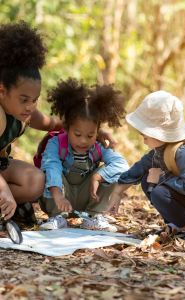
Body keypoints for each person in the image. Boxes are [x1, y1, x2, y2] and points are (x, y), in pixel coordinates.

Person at [106, 91, 185, 243]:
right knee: (147, 181)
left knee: (159, 191)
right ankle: (176, 226)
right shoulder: (161, 150)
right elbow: (140, 168)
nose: (143, 139)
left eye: (145, 135)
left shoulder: (182, 151)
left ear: (159, 133)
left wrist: (161, 178)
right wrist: (117, 192)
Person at [39, 78, 129, 231]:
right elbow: (51, 165)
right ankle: (57, 216)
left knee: (114, 175)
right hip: (59, 196)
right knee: (47, 171)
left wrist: (98, 176)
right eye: (78, 134)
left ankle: (93, 216)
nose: (83, 141)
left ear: (98, 132)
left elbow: (122, 166)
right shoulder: (56, 144)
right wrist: (58, 194)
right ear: (66, 128)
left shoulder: (98, 147)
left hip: (87, 195)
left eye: (90, 135)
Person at [0, 21, 63, 222]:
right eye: (24, 99)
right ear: (2, 91)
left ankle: (5, 208)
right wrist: (4, 190)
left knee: (35, 180)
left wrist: (90, 130)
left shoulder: (25, 113)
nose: (30, 106)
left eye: (35, 100)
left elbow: (53, 123)